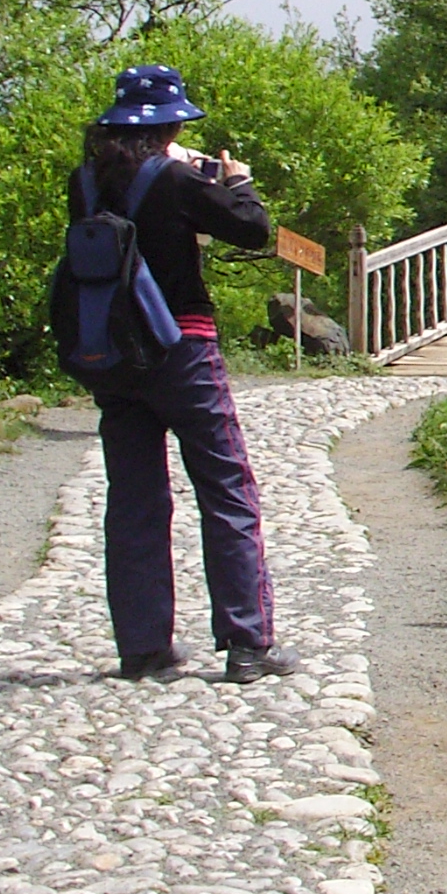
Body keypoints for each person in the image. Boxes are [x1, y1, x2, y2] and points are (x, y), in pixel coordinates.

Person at [69, 64, 294, 684]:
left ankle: (144, 648)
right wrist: (236, 181)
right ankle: (248, 643)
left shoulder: (85, 183)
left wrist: (184, 171)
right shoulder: (174, 179)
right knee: (226, 488)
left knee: (136, 497)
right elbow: (251, 229)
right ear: (170, 127)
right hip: (181, 351)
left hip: (113, 357)